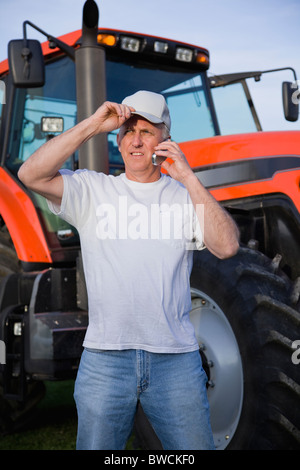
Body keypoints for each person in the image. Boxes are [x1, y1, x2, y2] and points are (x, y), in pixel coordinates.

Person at [18, 90, 239, 450]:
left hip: (175, 361)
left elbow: (227, 245)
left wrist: (187, 176)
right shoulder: (93, 190)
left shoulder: (184, 198)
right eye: (128, 131)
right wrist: (93, 125)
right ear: (118, 140)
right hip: (106, 360)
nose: (136, 140)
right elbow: (30, 173)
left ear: (165, 139)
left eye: (147, 131)